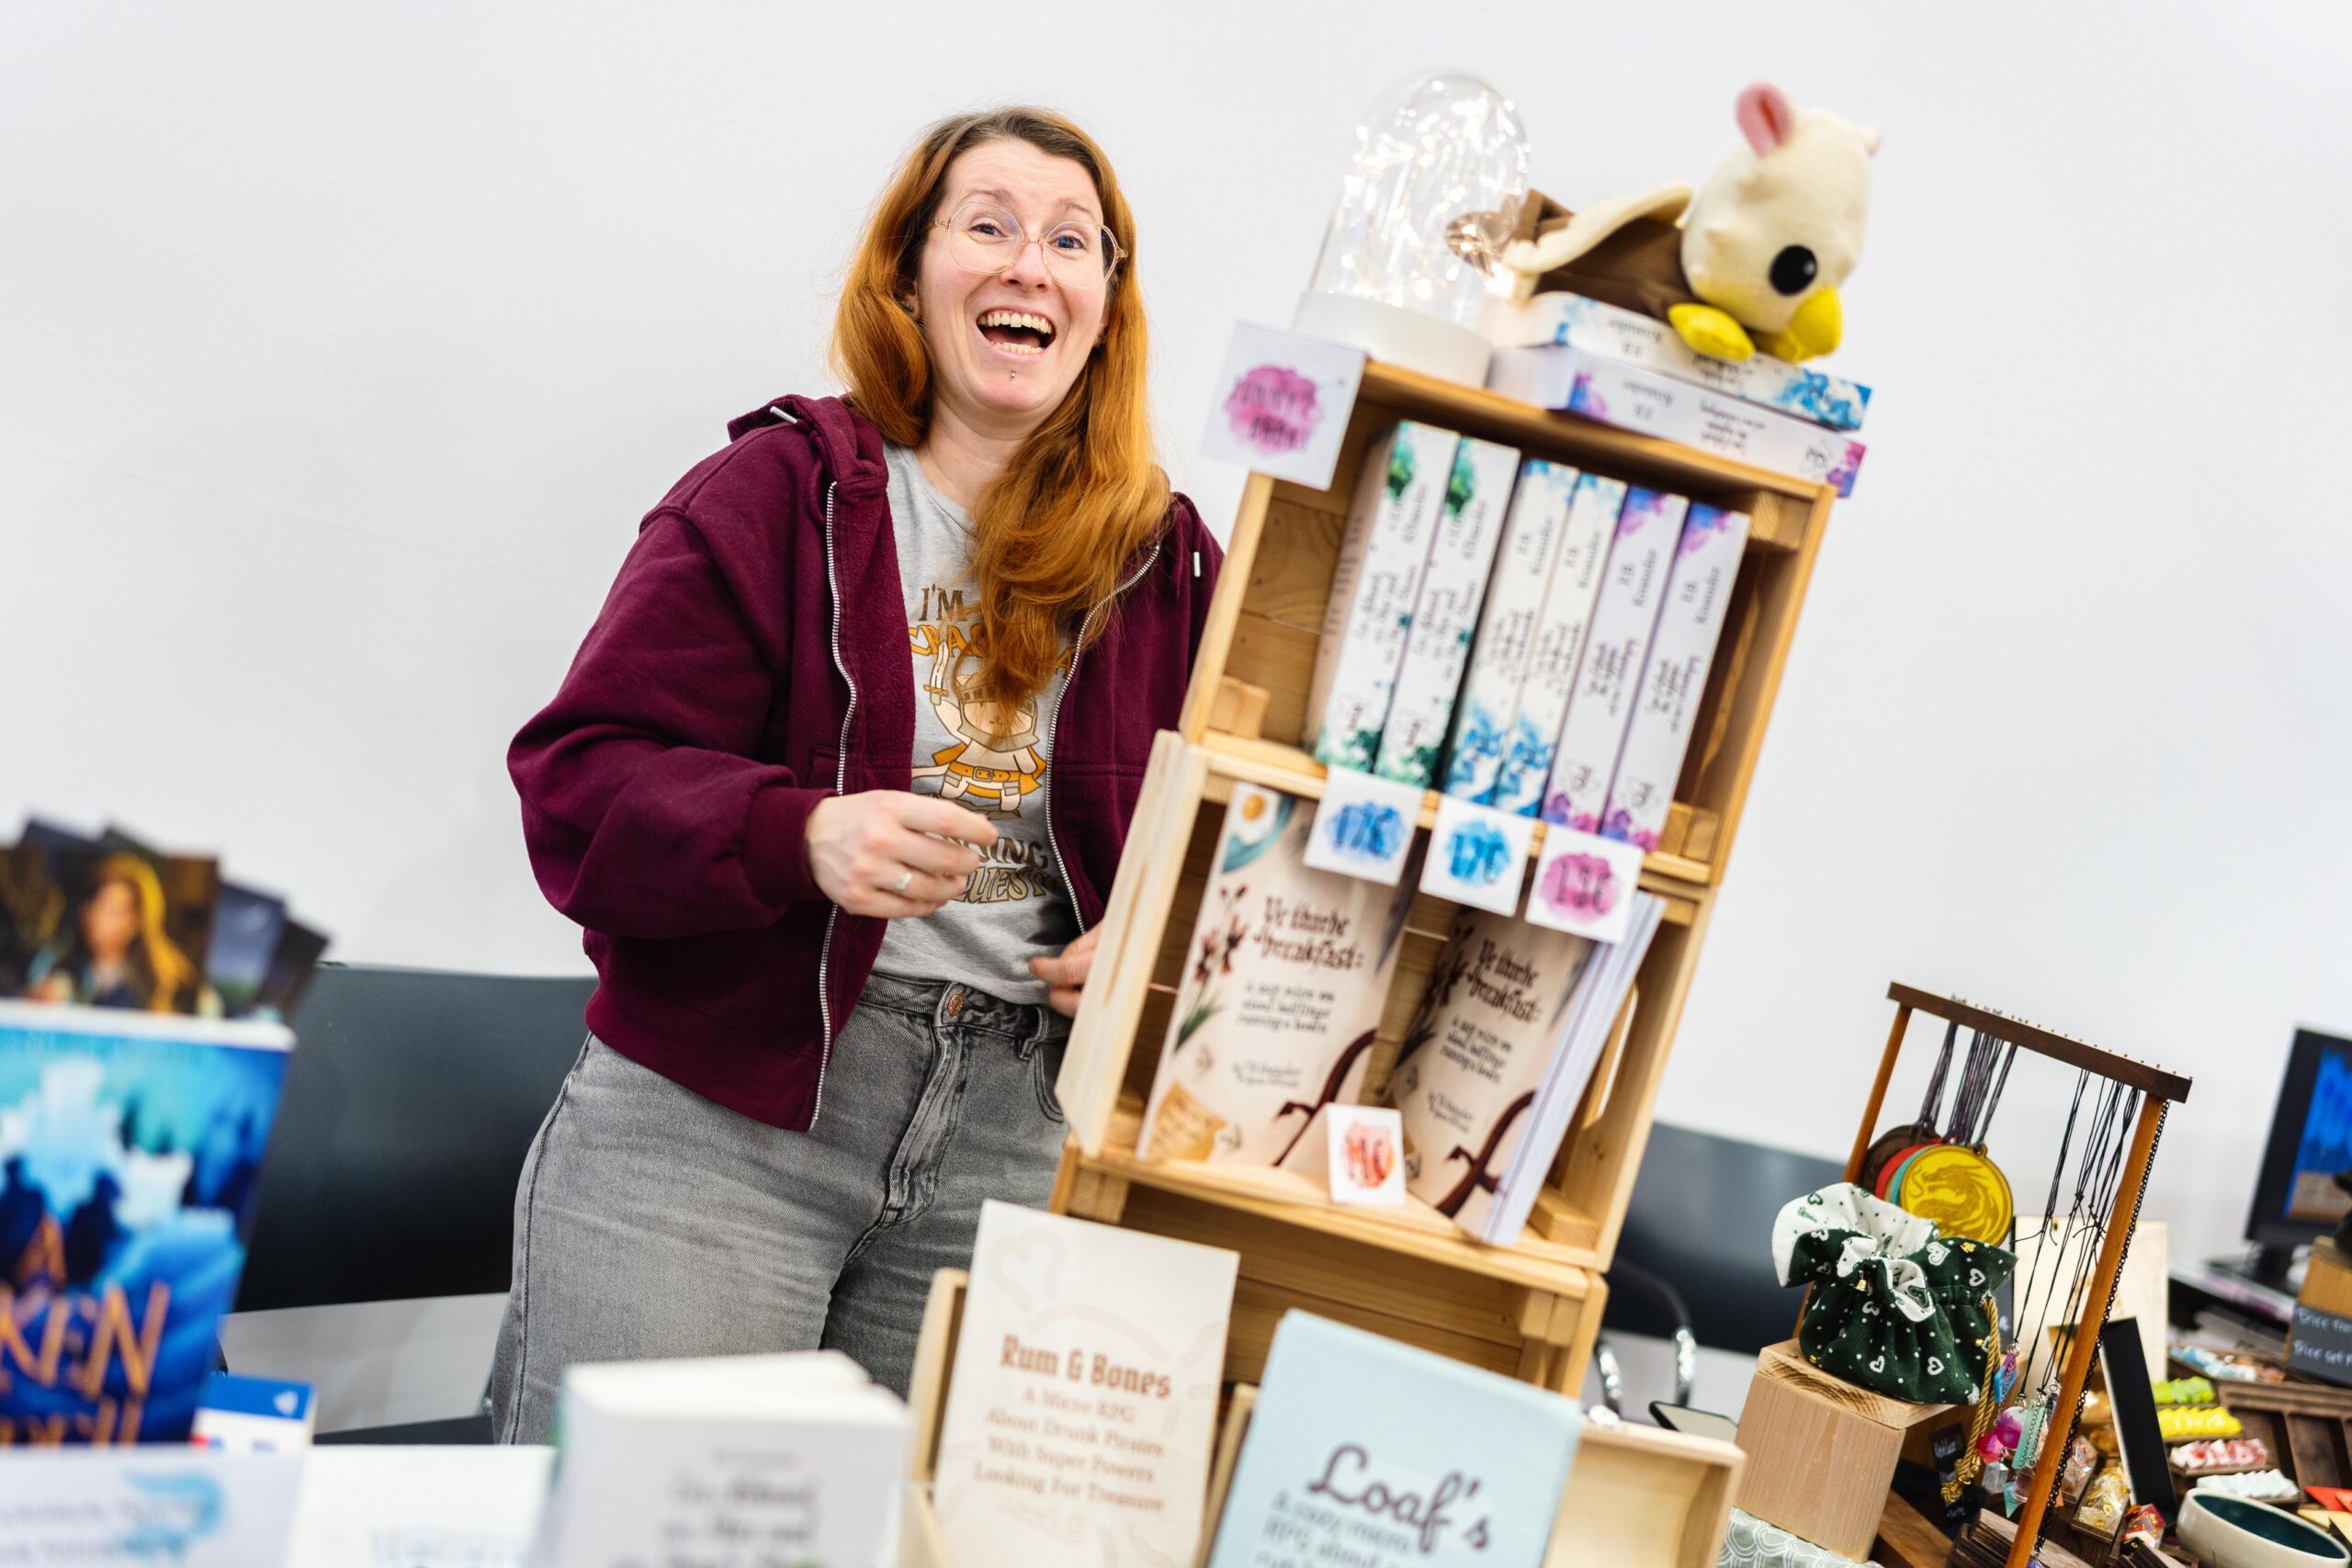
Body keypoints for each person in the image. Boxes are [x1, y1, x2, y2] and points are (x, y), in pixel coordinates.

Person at [492, 107, 1222, 1441]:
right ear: (909, 272)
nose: (1029, 263)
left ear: (1107, 309)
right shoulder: (776, 490)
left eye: (1072, 241)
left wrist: (1160, 944)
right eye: (987, 225)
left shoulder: (1166, 560)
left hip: (1018, 1143)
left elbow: (1238, 848)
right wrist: (798, 835)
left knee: (914, 1534)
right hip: (724, 1124)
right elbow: (578, 780)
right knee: (639, 1527)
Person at [26, 854, 198, 1013]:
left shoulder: (163, 983)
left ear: (136, 921)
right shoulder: (58, 964)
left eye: (112, 909)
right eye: (93, 903)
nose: (96, 915)